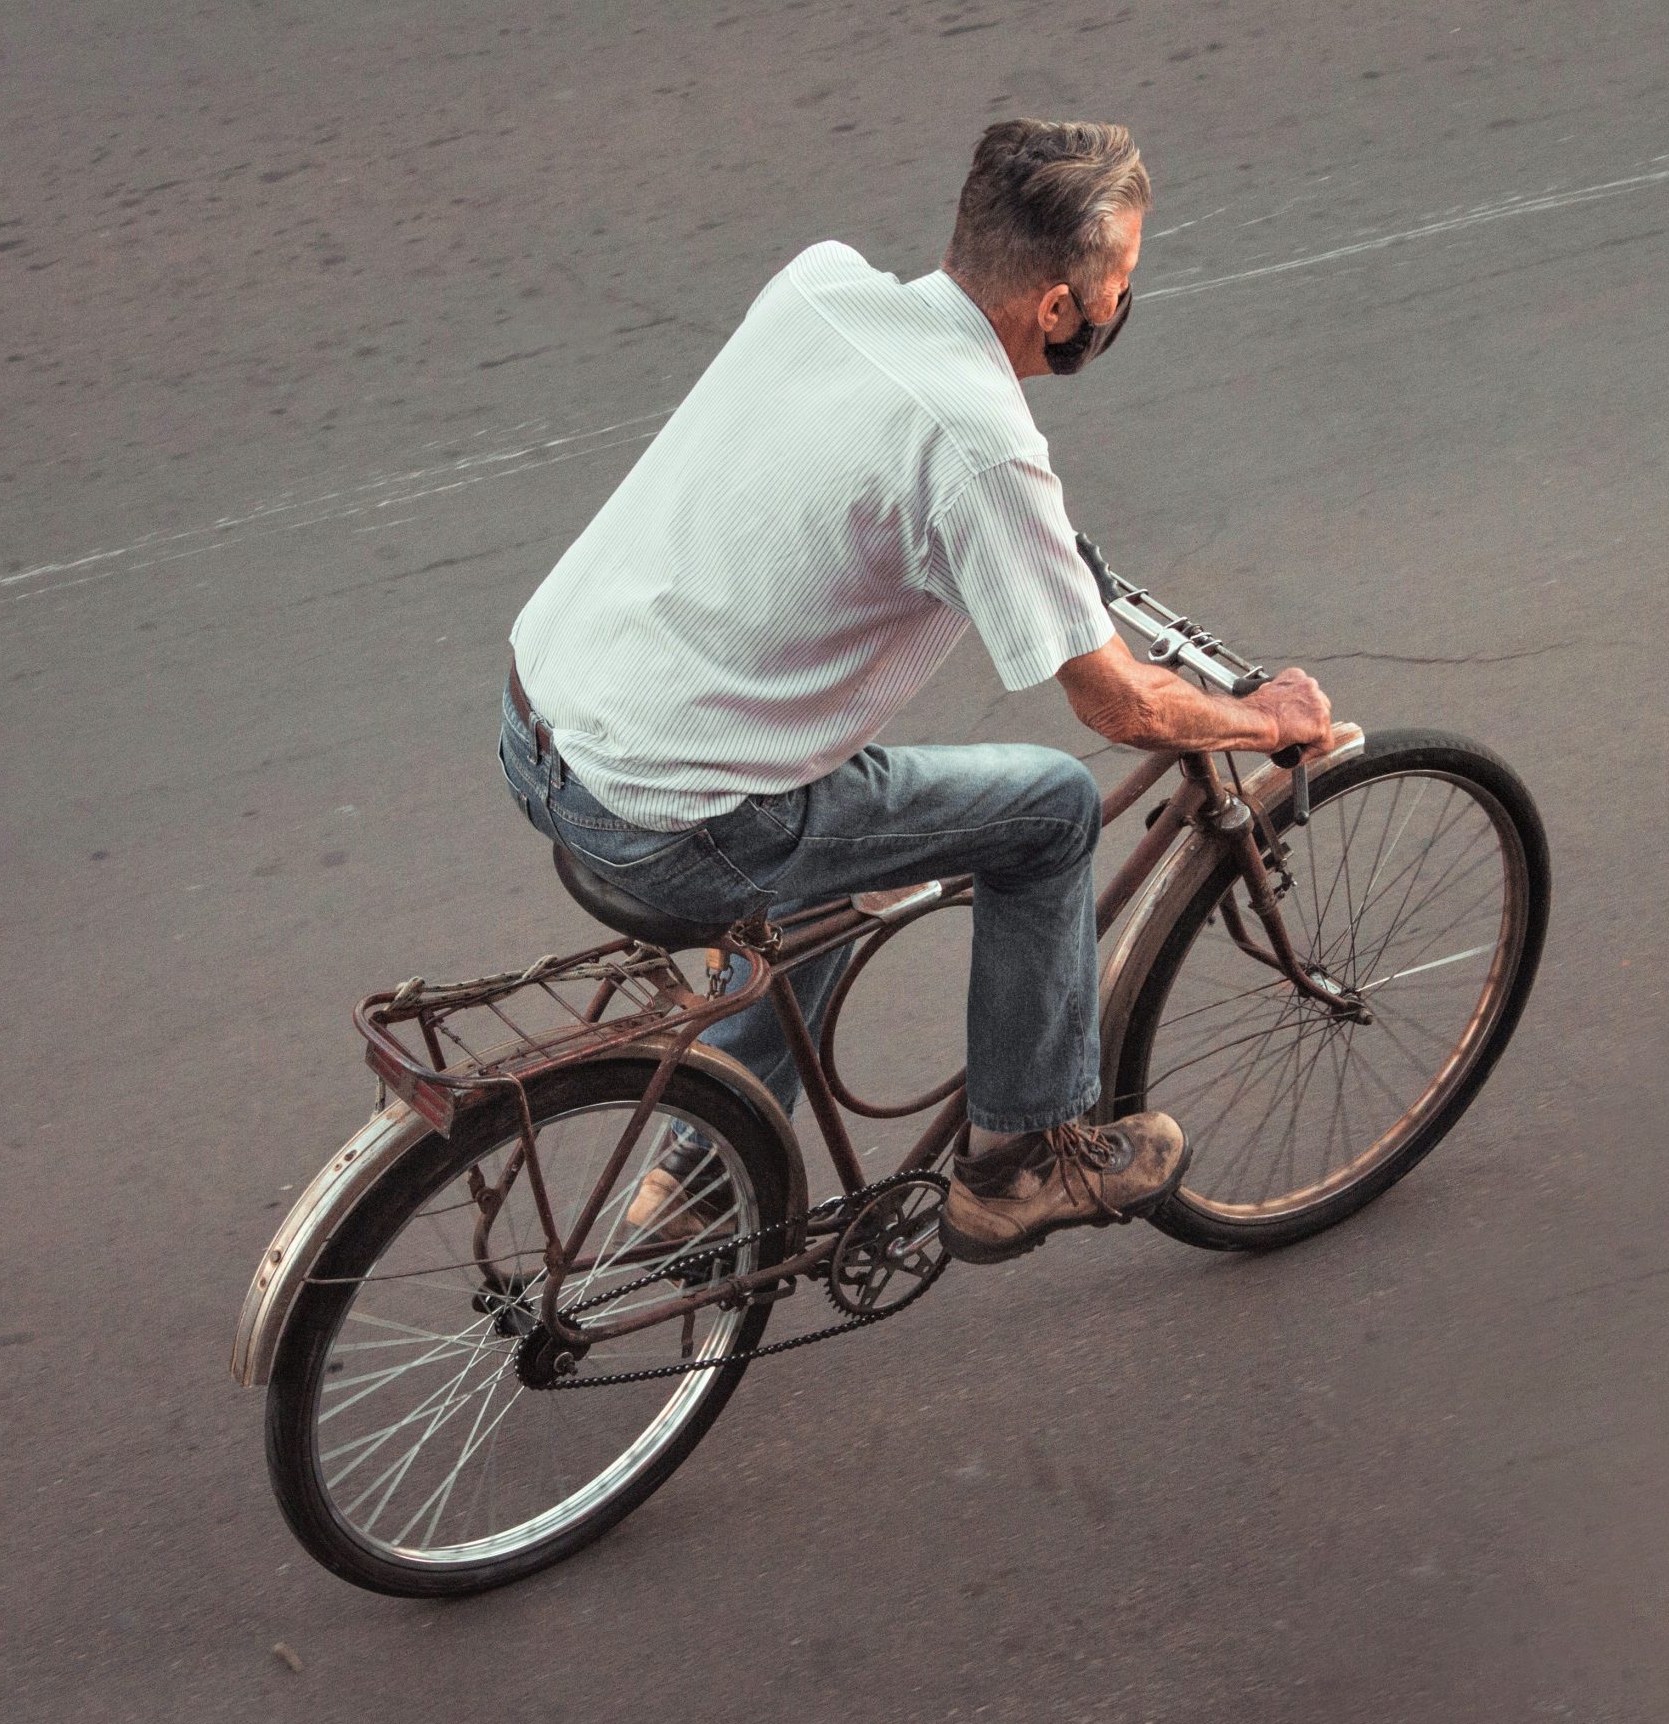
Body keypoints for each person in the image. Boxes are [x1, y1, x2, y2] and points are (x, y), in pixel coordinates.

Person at [499, 119, 1334, 1264]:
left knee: (836, 833)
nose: (1120, 304)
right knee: (1046, 808)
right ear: (1058, 310)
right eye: (1119, 285)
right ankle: (1016, 1161)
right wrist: (1263, 717)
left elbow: (850, 467)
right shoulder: (982, 447)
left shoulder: (822, 283)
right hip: (665, 820)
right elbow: (1120, 708)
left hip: (541, 722)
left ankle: (706, 1161)